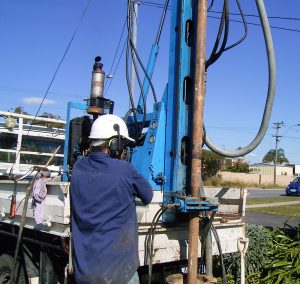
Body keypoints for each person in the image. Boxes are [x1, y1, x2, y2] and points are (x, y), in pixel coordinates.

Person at [70, 114, 153, 284]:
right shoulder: (125, 170)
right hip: (119, 272)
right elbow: (148, 195)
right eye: (122, 145)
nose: (124, 150)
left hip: (85, 273)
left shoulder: (78, 169)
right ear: (113, 144)